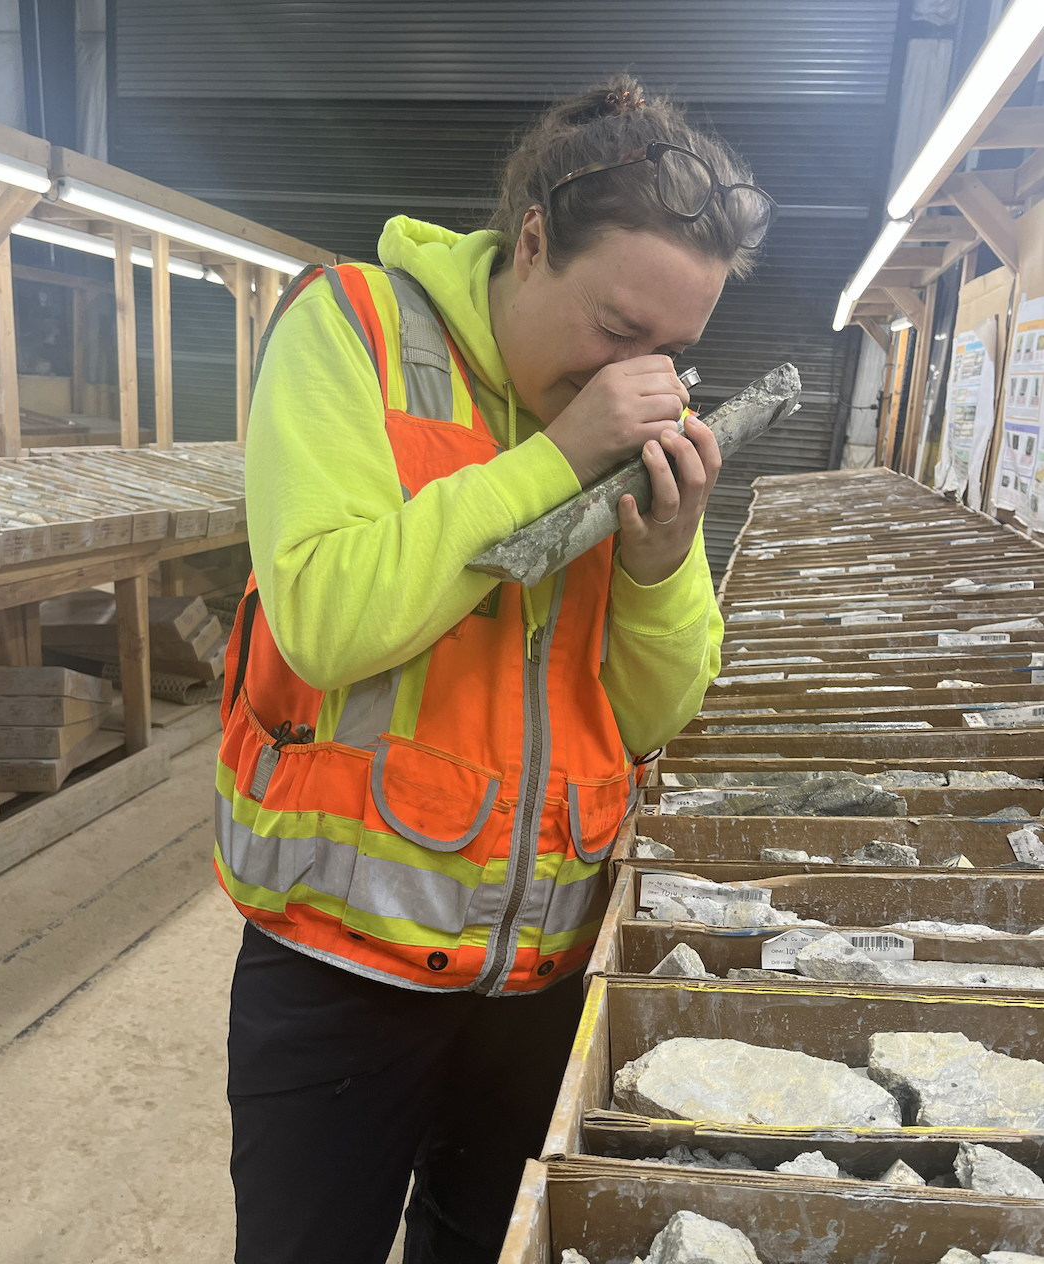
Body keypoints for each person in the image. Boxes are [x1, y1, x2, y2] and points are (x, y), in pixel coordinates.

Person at [215, 73, 773, 1264]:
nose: (642, 377)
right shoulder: (351, 328)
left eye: (676, 350)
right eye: (617, 332)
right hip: (342, 968)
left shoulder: (630, 414)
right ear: (529, 244)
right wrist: (558, 455)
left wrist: (663, 564)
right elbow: (322, 615)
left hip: (540, 974)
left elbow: (648, 713)